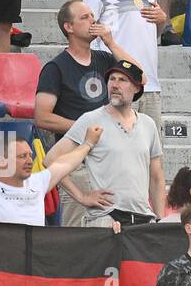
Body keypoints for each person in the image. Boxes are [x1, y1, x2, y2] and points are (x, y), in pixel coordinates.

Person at [35, 0, 133, 224]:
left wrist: (111, 43)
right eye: (85, 17)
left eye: (92, 16)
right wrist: (84, 129)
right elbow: (41, 116)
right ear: (68, 27)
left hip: (108, 160)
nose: (93, 21)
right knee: (76, 234)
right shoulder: (55, 68)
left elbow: (139, 77)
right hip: (76, 164)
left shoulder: (105, 58)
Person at [48, 60, 165, 228]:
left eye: (122, 80)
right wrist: (82, 196)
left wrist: (160, 220)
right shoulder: (91, 119)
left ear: (137, 88)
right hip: (106, 218)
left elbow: (156, 177)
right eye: (112, 79)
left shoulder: (148, 123)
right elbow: (50, 159)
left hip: (143, 220)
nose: (115, 85)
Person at [83, 0, 168, 128]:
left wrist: (162, 20)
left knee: (152, 153)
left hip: (149, 84)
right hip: (118, 83)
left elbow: (151, 33)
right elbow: (84, 32)